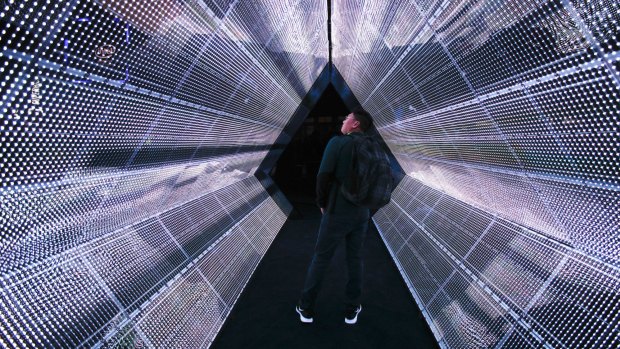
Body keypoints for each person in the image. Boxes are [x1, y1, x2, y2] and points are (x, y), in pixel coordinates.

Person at [296, 107, 373, 325]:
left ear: (355, 124)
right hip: (362, 212)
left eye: (347, 117)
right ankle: (351, 310)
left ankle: (306, 308)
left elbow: (323, 175)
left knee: (321, 258)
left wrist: (321, 203)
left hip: (338, 210)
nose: (344, 119)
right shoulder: (372, 146)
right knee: (355, 259)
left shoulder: (338, 143)